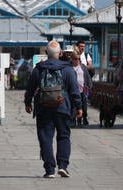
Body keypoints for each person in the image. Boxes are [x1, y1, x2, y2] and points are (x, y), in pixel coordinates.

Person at [24, 40, 81, 178]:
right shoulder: (67, 69)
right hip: (63, 106)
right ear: (60, 53)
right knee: (63, 136)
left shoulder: (39, 69)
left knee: (45, 137)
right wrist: (78, 107)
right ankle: (62, 166)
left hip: (43, 107)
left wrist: (28, 103)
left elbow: (30, 88)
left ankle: (49, 169)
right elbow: (74, 90)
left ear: (45, 53)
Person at [71, 50, 93, 127]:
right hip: (73, 90)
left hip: (83, 90)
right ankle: (73, 120)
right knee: (74, 106)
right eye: (76, 59)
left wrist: (89, 87)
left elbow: (87, 77)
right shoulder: (69, 67)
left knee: (83, 106)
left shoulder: (83, 67)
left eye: (79, 59)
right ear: (72, 59)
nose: (78, 61)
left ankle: (81, 120)